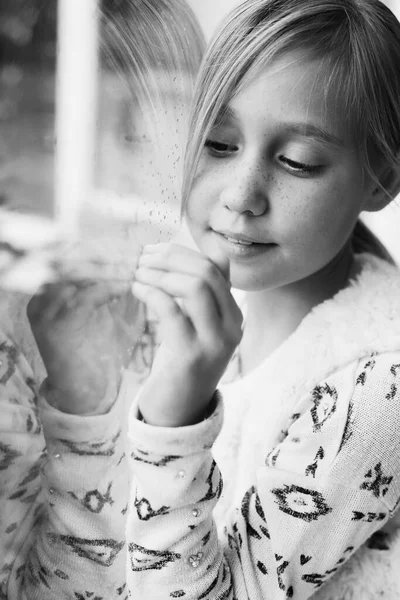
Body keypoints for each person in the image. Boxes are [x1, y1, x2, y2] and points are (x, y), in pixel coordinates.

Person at [124, 0, 400, 598]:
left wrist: (175, 416)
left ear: (380, 176)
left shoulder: (380, 391)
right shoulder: (193, 296)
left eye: (298, 161)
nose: (242, 195)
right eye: (220, 143)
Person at [0, 1, 204, 598]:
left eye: (142, 135)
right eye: (52, 130)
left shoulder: (189, 320)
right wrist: (82, 412)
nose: (99, 176)